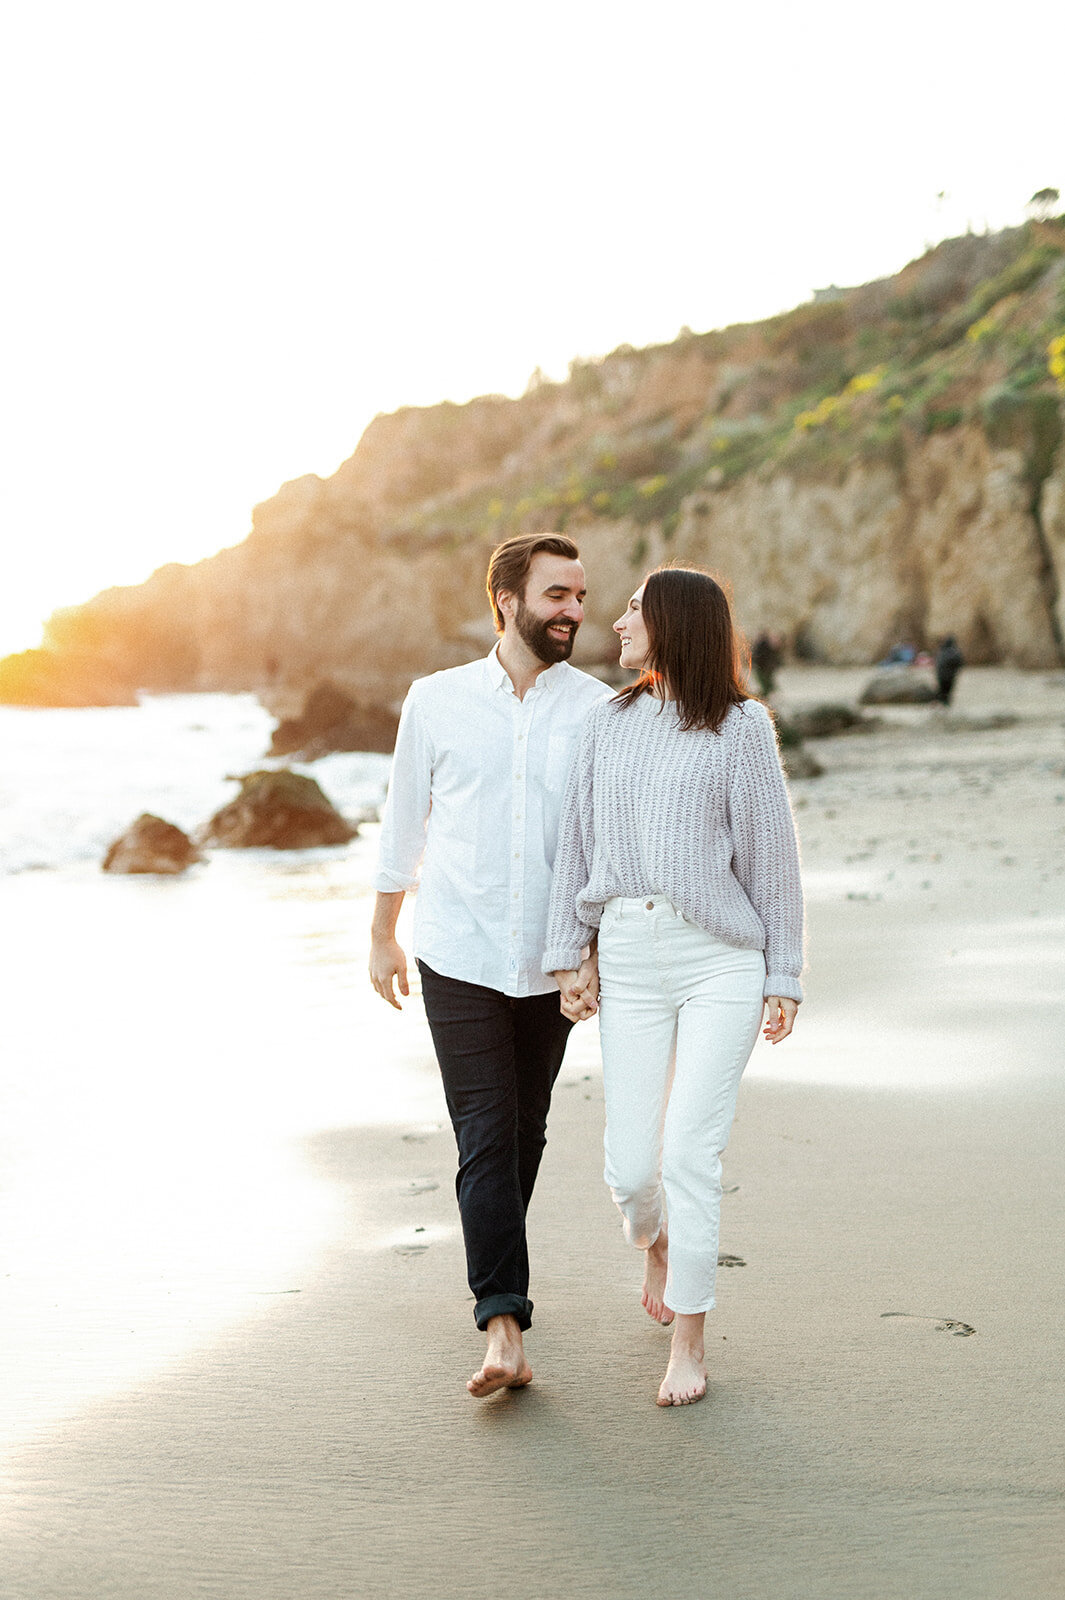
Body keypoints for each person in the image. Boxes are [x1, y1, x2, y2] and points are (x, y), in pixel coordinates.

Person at [544, 567, 804, 1408]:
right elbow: (574, 847)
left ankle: (688, 1342)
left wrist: (784, 973)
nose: (614, 622)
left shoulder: (740, 729)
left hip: (718, 956)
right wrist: (567, 955)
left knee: (690, 1152)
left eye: (630, 610)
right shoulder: (604, 724)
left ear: (673, 623)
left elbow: (773, 861)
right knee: (630, 1168)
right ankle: (651, 1241)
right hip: (625, 952)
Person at [369, 532, 606, 1398]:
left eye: (580, 596)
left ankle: (496, 1265)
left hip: (552, 962)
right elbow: (404, 823)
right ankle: (501, 1320)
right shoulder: (434, 702)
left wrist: (595, 954)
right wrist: (380, 933)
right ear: (506, 600)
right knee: (484, 1132)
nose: (573, 611)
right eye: (556, 595)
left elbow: (603, 846)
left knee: (524, 1130)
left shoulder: (596, 709)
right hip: (458, 953)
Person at [750, 630, 783, 697]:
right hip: (764, 667)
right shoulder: (767, 646)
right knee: (766, 683)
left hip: (763, 667)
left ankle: (764, 695)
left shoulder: (763, 646)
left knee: (766, 683)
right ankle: (765, 695)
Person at [935, 635, 964, 705]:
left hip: (941, 676)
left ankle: (942, 704)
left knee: (942, 691)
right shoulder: (955, 652)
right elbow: (960, 663)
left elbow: (938, 664)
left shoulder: (941, 651)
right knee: (948, 691)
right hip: (950, 676)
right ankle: (946, 704)